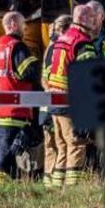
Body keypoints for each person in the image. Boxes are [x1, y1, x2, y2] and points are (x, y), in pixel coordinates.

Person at [0, 11, 41, 184]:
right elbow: (30, 72)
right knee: (7, 152)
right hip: (16, 109)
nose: (25, 28)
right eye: (23, 24)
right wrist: (37, 61)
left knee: (8, 149)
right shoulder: (17, 47)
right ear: (14, 25)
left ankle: (8, 184)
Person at [45, 4, 98, 185]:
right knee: (76, 144)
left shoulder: (63, 39)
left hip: (55, 101)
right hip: (70, 102)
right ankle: (74, 188)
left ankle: (57, 185)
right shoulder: (82, 42)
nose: (96, 22)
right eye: (93, 18)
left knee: (61, 146)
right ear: (84, 19)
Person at [41, 14, 73, 187]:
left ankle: (50, 181)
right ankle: (58, 181)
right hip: (59, 102)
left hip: (49, 103)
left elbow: (44, 78)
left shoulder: (50, 48)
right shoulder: (61, 47)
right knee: (64, 144)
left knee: (53, 145)